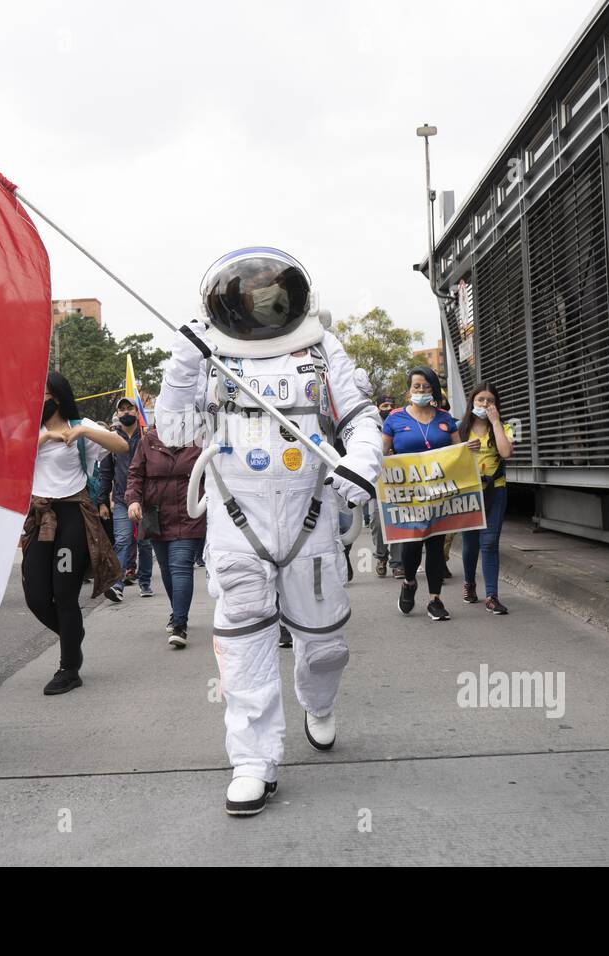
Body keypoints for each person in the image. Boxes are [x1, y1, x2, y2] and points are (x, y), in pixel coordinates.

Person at [154, 247, 383, 816]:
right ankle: (253, 761)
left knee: (326, 645)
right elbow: (175, 432)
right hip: (239, 522)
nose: (260, 297)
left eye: (269, 287)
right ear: (229, 299)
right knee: (245, 646)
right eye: (248, 288)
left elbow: (360, 417)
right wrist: (184, 362)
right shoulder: (208, 355)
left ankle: (318, 703)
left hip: (311, 518)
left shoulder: (319, 347)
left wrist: (362, 463)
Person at [20, 372, 126, 695]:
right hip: (40, 518)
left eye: (45, 394)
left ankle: (69, 668)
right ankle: (73, 634)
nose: (40, 400)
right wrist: (45, 438)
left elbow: (121, 445)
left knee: (65, 593)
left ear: (58, 397)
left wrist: (81, 430)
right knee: (37, 596)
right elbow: (11, 456)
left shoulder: (81, 426)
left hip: (72, 516)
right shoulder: (29, 430)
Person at [382, 367, 460, 622]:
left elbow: (458, 451)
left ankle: (435, 600)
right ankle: (409, 581)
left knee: (436, 544)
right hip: (409, 495)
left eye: (427, 387)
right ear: (408, 392)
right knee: (412, 546)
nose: (422, 391)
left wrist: (467, 450)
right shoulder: (394, 419)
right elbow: (383, 455)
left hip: (439, 493)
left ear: (434, 390)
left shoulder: (445, 418)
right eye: (417, 387)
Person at [125, 423, 205, 648]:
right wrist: (132, 500)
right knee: (168, 570)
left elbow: (214, 476)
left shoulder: (199, 439)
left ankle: (180, 623)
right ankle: (177, 611)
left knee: (180, 566)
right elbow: (135, 475)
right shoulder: (148, 441)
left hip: (189, 514)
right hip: (156, 517)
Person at [459, 382, 513, 615]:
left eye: (490, 400)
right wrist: (462, 447)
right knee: (470, 543)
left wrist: (495, 423)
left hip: (495, 490)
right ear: (472, 401)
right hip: (468, 492)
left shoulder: (505, 427)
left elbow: (506, 452)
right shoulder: (459, 428)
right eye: (480, 400)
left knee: (489, 543)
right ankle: (469, 584)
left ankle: (492, 595)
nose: (484, 404)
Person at [98, 397, 153, 601]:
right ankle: (117, 585)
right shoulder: (110, 439)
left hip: (146, 499)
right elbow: (105, 473)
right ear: (117, 414)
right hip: (121, 499)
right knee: (122, 541)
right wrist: (102, 501)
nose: (126, 412)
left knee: (145, 543)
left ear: (137, 412)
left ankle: (145, 582)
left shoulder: (147, 438)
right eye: (122, 410)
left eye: (130, 408)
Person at [372, 394, 399, 578]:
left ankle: (397, 563)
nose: (388, 408)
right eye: (384, 405)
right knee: (377, 521)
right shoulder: (370, 425)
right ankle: (381, 556)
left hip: (398, 478)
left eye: (391, 405)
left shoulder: (399, 422)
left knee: (397, 519)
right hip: (377, 478)